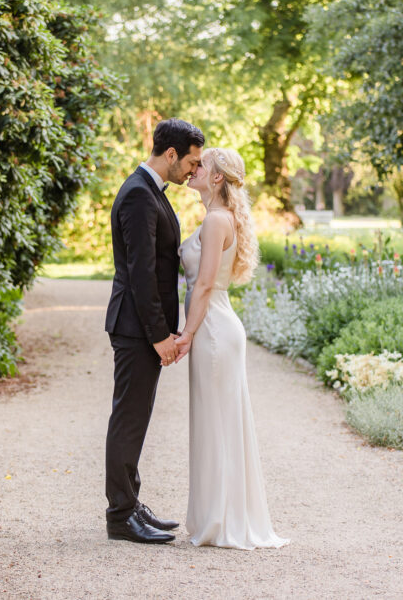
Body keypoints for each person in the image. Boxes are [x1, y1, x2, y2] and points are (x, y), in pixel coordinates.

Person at [174, 147, 288, 550]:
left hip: (214, 330)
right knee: (214, 421)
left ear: (217, 177)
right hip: (214, 326)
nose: (192, 169)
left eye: (200, 165)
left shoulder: (217, 220)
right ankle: (216, 516)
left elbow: (204, 285)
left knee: (218, 423)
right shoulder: (215, 218)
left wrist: (185, 334)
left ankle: (222, 521)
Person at [104, 118, 203, 544]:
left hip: (140, 327)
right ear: (170, 154)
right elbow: (142, 275)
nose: (192, 171)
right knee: (128, 420)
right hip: (135, 328)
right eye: (191, 162)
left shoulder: (148, 192)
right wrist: (160, 335)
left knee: (135, 418)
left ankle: (131, 504)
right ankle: (121, 516)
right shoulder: (139, 196)